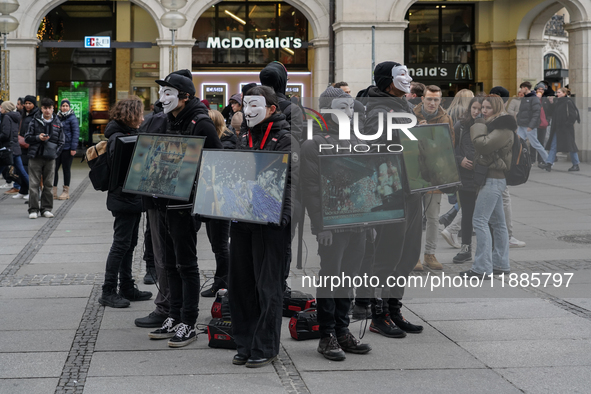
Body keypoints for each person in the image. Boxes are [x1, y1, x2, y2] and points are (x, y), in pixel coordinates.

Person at [146, 70, 222, 348]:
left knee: (186, 264)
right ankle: (174, 315)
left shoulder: (200, 123)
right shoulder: (168, 120)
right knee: (169, 263)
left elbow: (217, 161)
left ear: (184, 97)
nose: (162, 98)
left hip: (185, 205)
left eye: (168, 93)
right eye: (161, 93)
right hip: (164, 201)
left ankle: (188, 321)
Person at [301, 86, 371, 361]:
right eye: (343, 107)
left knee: (348, 277)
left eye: (351, 107)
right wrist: (322, 226)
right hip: (333, 224)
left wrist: (371, 220)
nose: (349, 112)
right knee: (331, 277)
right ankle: (327, 334)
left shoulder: (357, 138)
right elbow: (311, 189)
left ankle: (343, 330)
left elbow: (367, 182)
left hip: (358, 223)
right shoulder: (313, 144)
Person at [228, 85, 292, 368]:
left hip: (270, 223)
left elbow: (291, 181)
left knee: (268, 287)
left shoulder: (285, 139)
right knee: (241, 285)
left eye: (255, 105)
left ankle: (265, 345)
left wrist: (283, 215)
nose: (248, 110)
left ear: (271, 109)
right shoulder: (242, 136)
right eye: (245, 105)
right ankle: (244, 342)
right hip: (242, 219)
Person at [364, 61, 424, 337]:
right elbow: (376, 148)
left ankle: (394, 308)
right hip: (391, 193)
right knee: (387, 255)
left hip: (412, 190)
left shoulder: (404, 106)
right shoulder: (377, 109)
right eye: (402, 75)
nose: (409, 79)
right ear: (387, 81)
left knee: (408, 254)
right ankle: (378, 314)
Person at [98, 97, 152, 308]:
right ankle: (108, 290)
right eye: (139, 114)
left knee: (130, 244)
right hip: (124, 198)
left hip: (130, 198)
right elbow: (122, 172)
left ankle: (127, 286)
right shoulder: (119, 138)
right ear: (130, 115)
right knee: (121, 244)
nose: (142, 117)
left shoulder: (128, 134)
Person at [460, 95, 514, 278]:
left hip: (493, 179)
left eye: (488, 108)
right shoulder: (495, 127)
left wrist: (479, 123)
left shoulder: (503, 128)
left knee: (480, 221)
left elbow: (482, 145)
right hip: (492, 179)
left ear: (497, 108)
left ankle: (481, 267)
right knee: (498, 223)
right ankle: (500, 263)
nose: (483, 111)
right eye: (482, 107)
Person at [413, 85, 454, 272]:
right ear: (422, 99)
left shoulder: (445, 118)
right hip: (414, 173)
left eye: (436, 99)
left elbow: (449, 146)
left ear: (441, 100)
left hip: (435, 174)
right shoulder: (411, 115)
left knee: (432, 217)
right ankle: (413, 256)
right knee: (414, 217)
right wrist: (416, 131)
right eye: (429, 99)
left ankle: (430, 253)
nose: (432, 103)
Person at [199, 109, 236, 298]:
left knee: (220, 244)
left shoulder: (226, 144)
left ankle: (223, 282)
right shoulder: (221, 142)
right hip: (211, 200)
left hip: (220, 201)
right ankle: (222, 281)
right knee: (216, 244)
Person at [451, 97, 481, 263]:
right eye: (474, 108)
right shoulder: (461, 125)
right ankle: (466, 248)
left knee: (484, 218)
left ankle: (487, 251)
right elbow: (451, 148)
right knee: (467, 215)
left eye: (480, 108)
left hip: (483, 178)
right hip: (465, 177)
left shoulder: (488, 126)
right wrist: (460, 159)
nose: (476, 112)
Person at [24, 97, 64, 219]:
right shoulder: (34, 120)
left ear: (53, 109)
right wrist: (38, 138)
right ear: (41, 109)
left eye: (49, 108)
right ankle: (33, 209)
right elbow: (27, 137)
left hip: (50, 157)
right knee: (34, 184)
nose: (47, 111)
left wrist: (55, 153)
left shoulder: (58, 122)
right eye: (45, 108)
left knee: (48, 184)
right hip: (35, 156)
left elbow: (61, 142)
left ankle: (46, 208)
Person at [543, 87, 580, 172]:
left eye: (559, 92)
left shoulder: (568, 102)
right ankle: (549, 163)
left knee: (571, 146)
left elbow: (573, 115)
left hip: (566, 128)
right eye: (557, 92)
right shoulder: (557, 102)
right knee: (553, 145)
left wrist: (567, 124)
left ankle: (576, 164)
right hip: (557, 128)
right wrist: (551, 103)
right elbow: (550, 113)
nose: (557, 94)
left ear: (564, 94)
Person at [0, 102, 27, 199]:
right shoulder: (15, 117)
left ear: (5, 108)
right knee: (22, 171)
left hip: (7, 149)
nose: (0, 109)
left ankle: (31, 190)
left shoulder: (6, 117)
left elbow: (5, 134)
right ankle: (32, 190)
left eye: (1, 107)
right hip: (15, 147)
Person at [516, 81, 548, 166]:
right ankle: (518, 160)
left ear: (525, 88)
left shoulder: (534, 98)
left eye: (521, 88)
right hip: (522, 125)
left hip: (529, 126)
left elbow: (536, 113)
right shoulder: (525, 98)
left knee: (535, 144)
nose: (520, 90)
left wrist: (531, 125)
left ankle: (548, 160)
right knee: (518, 142)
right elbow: (522, 111)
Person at [54, 99, 80, 200]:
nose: (64, 107)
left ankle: (65, 191)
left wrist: (73, 148)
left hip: (68, 147)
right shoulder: (56, 117)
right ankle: (53, 191)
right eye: (63, 106)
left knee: (66, 169)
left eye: (66, 106)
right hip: (57, 148)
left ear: (69, 107)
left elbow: (76, 133)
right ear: (60, 107)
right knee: (54, 169)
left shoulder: (72, 118)